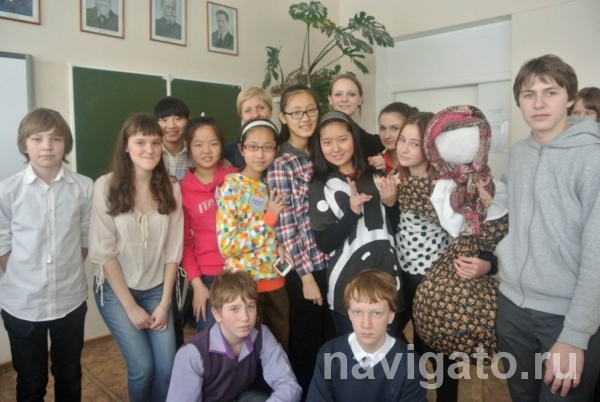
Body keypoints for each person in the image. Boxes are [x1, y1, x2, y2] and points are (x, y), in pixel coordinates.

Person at [496, 54, 600, 401]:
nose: (538, 103)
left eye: (550, 92)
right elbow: (516, 220)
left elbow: (598, 255)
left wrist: (575, 335)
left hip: (565, 315)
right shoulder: (520, 153)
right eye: (529, 94)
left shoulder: (592, 157)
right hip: (512, 308)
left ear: (570, 98)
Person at [0, 108, 93, 401]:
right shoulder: (7, 191)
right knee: (31, 382)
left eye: (55, 139)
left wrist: (63, 271)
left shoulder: (83, 187)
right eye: (37, 139)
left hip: (70, 301)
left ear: (66, 144)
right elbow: (2, 245)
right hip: (22, 305)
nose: (47, 146)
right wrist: (26, 276)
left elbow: (85, 239)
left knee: (70, 377)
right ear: (24, 144)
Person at [89, 113, 183, 402]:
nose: (149, 149)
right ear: (126, 147)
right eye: (140, 142)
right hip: (116, 291)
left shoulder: (171, 187)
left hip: (157, 289)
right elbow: (104, 252)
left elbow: (173, 252)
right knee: (142, 369)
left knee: (167, 370)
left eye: (155, 142)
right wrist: (130, 307)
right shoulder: (105, 186)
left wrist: (165, 305)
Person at [308, 110, 404, 336]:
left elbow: (393, 227)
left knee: (388, 348)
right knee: (353, 352)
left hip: (387, 276)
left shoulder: (375, 173)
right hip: (347, 283)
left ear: (354, 138)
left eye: (342, 139)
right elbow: (325, 244)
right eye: (327, 142)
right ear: (319, 146)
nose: (336, 148)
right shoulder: (321, 184)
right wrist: (351, 213)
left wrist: (392, 204)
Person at [267, 84, 333, 400]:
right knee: (306, 345)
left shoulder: (323, 151)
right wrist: (306, 277)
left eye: (310, 111)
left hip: (330, 263)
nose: (305, 118)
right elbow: (286, 226)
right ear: (283, 117)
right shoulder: (282, 162)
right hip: (303, 270)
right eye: (296, 112)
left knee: (328, 340)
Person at [166, 270, 302, 402]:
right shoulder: (192, 354)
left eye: (250, 306)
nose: (245, 317)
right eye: (234, 309)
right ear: (217, 314)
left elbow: (289, 385)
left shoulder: (262, 334)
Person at [217, 119, 290, 350]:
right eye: (253, 147)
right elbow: (227, 246)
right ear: (241, 149)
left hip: (275, 284)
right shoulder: (232, 187)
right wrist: (269, 220)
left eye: (267, 147)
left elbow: (279, 230)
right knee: (247, 354)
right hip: (244, 289)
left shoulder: (273, 184)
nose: (260, 154)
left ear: (276, 150)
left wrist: (279, 244)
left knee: (277, 350)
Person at [306, 269, 426, 402]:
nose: (366, 324)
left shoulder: (411, 366)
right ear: (349, 313)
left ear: (391, 315)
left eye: (376, 313)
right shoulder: (329, 354)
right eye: (357, 312)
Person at [180, 117, 237, 333]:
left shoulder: (235, 178)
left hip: (241, 272)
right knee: (212, 343)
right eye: (198, 144)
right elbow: (185, 242)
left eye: (213, 143)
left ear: (222, 146)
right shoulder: (182, 190)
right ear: (189, 148)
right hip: (208, 280)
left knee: (246, 341)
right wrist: (197, 285)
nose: (206, 151)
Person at [154, 96, 192, 349]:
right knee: (163, 301)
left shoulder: (198, 150)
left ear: (187, 120)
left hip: (191, 236)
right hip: (159, 239)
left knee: (181, 303)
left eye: (178, 118)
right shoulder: (151, 152)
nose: (171, 125)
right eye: (164, 119)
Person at [328, 74, 385, 161]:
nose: (344, 99)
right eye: (338, 94)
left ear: (360, 100)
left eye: (351, 94)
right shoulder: (315, 137)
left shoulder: (372, 143)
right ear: (330, 99)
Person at [224, 87, 273, 168]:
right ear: (241, 116)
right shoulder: (229, 151)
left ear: (270, 111)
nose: (255, 115)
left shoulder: (283, 147)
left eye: (261, 107)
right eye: (248, 110)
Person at [369, 102, 419, 175]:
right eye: (382, 128)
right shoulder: (377, 163)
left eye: (394, 128)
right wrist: (381, 173)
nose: (387, 136)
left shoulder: (421, 163)